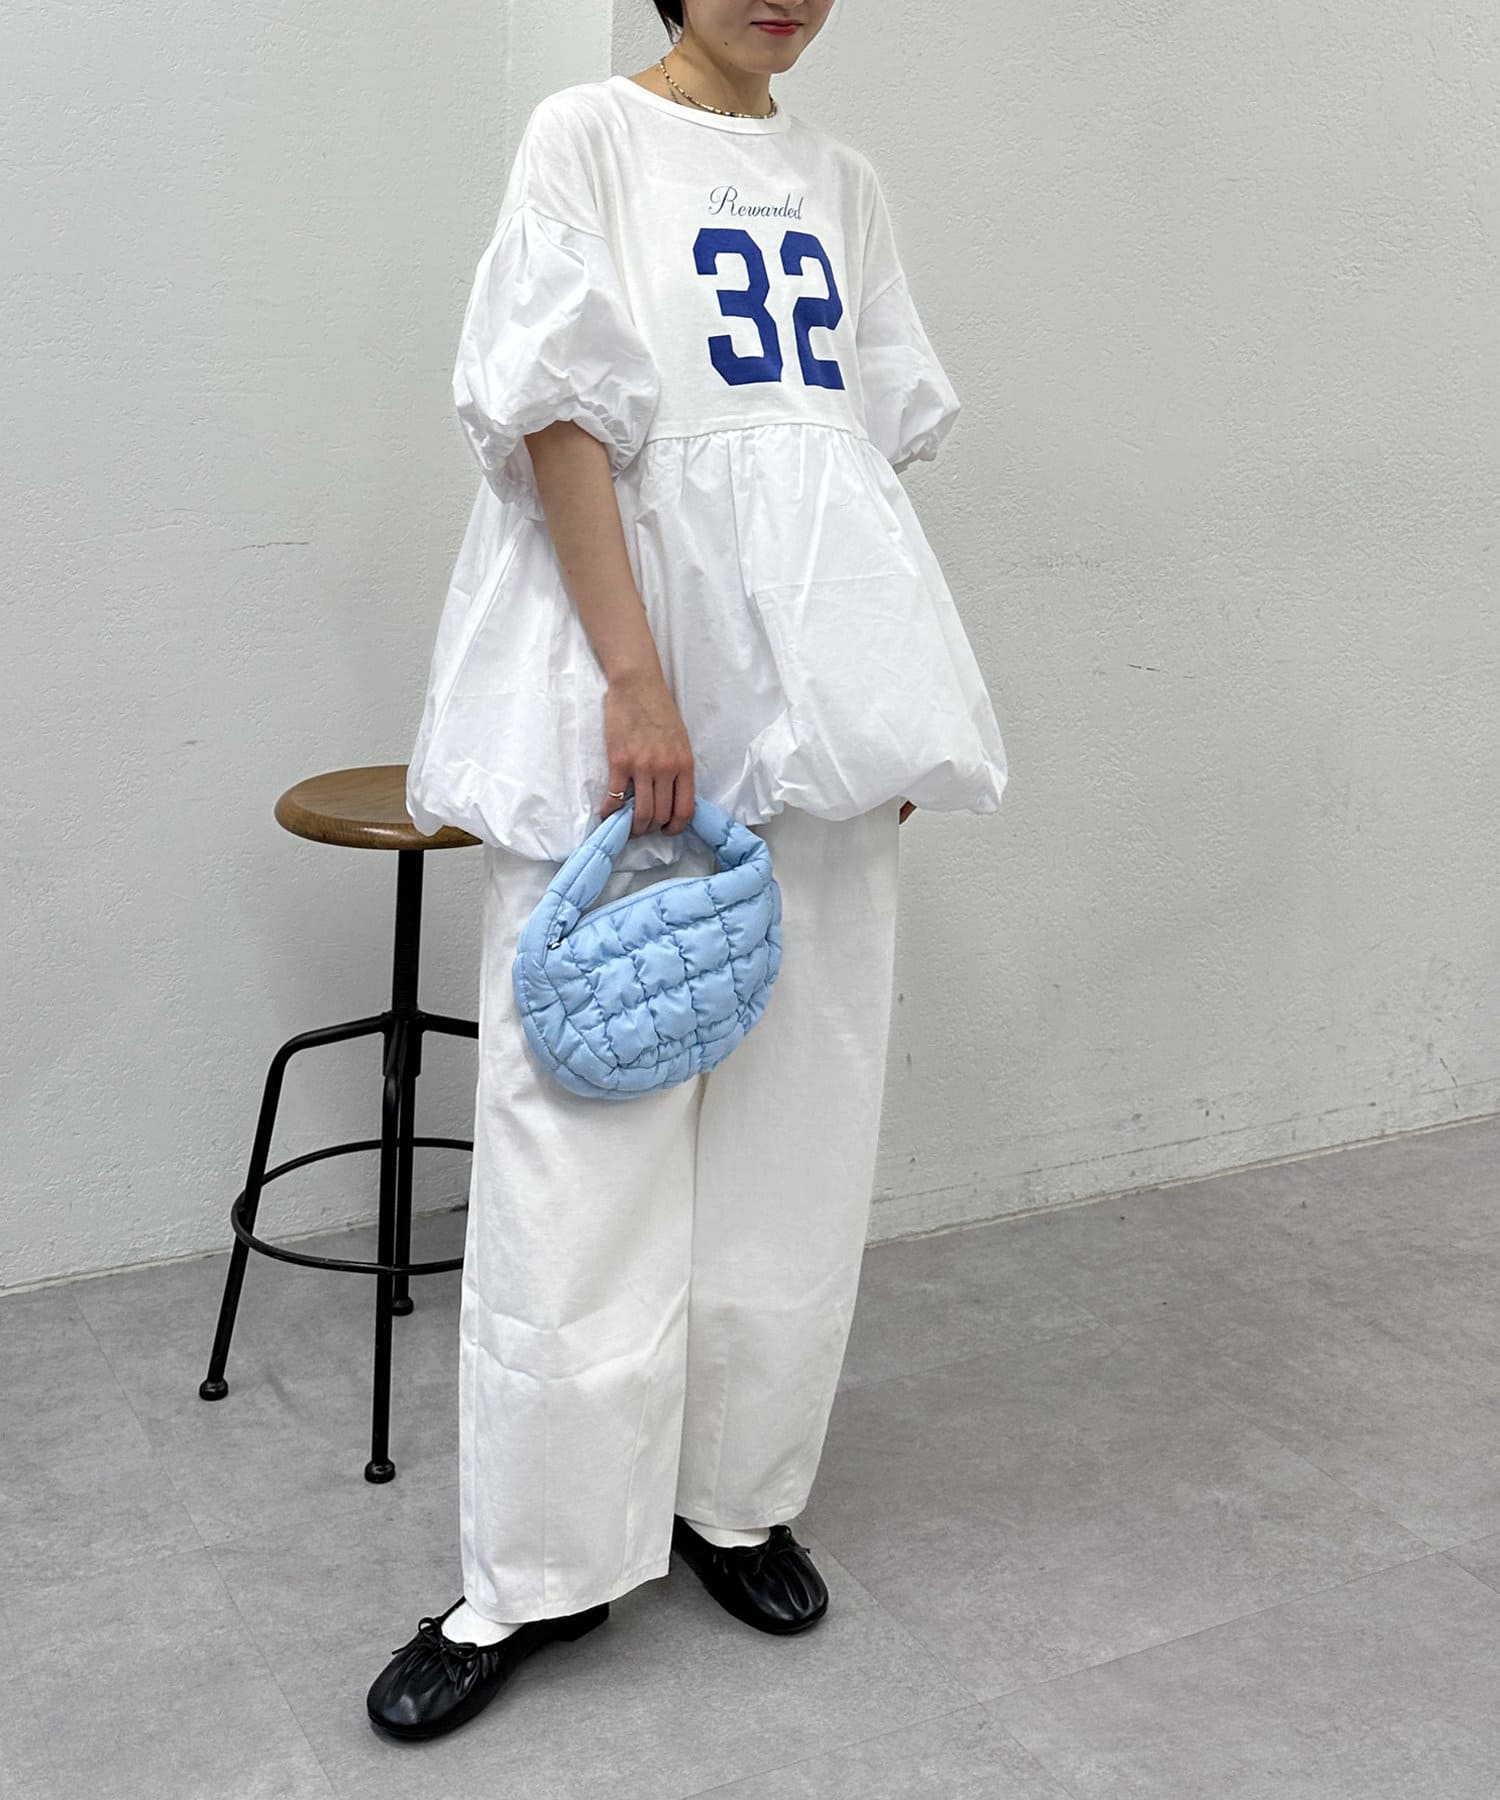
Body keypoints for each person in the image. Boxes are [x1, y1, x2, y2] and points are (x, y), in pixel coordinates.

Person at [368, 0, 1008, 1742]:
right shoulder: (587, 137)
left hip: (815, 714)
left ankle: (734, 1498)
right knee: (580, 1131)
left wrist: (875, 706)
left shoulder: (844, 179)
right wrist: (636, 682)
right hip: (628, 691)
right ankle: (533, 1570)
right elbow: (558, 419)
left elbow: (846, 462)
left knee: (804, 1126)